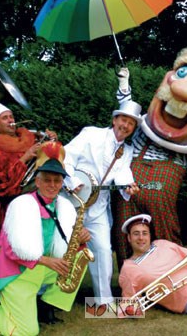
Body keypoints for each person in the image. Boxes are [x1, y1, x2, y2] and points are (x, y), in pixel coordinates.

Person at [113, 47, 187, 267]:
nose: (184, 91)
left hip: (164, 186)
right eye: (182, 73)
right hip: (130, 185)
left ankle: (169, 276)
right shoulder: (143, 125)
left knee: (164, 234)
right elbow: (126, 114)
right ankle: (131, 276)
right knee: (126, 231)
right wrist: (124, 85)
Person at [0, 141, 90, 335]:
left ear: (62, 183)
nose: (52, 185)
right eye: (47, 180)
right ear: (37, 182)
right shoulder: (21, 205)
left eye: (57, 181)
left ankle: (45, 306)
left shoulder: (64, 206)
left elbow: (65, 246)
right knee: (28, 332)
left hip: (40, 268)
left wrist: (80, 239)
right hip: (15, 272)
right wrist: (47, 261)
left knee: (80, 258)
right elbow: (12, 251)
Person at [0, 102, 59, 323]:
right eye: (5, 118)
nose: (11, 120)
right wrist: (27, 156)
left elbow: (53, 159)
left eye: (11, 116)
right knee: (7, 256)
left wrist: (51, 140)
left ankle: (37, 301)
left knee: (40, 250)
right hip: (13, 206)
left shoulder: (28, 137)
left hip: (37, 202)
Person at [63, 100, 142, 307]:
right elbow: (66, 157)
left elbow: (123, 172)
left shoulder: (127, 150)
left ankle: (103, 303)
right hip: (71, 203)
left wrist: (127, 186)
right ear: (114, 120)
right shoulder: (91, 134)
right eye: (123, 120)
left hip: (98, 208)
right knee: (60, 247)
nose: (125, 126)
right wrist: (71, 181)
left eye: (131, 124)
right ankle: (44, 296)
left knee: (103, 252)